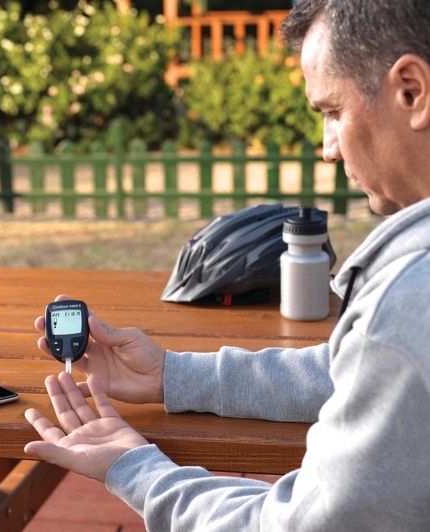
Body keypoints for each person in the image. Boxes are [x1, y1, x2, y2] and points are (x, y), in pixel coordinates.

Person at [23, 0, 430, 530]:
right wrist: (174, 376)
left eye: (332, 112)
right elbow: (352, 372)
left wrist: (136, 469)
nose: (328, 149)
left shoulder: (406, 303)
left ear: (412, 91)